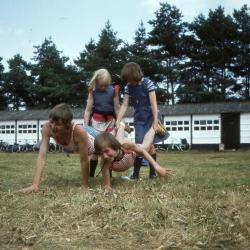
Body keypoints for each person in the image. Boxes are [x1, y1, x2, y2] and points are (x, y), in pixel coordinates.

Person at [18, 103, 96, 193]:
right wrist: (35, 185)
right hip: (80, 141)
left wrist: (84, 186)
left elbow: (84, 161)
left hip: (93, 138)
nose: (53, 127)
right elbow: (42, 155)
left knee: (111, 155)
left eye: (58, 124)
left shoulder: (79, 132)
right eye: (51, 122)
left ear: (68, 125)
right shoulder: (47, 128)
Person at [116, 62, 166, 180]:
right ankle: (137, 174)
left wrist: (155, 122)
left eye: (130, 80)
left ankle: (149, 174)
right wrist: (118, 120)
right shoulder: (128, 87)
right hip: (139, 119)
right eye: (127, 80)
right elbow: (124, 105)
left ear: (135, 75)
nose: (129, 82)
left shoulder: (148, 84)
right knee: (140, 145)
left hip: (151, 117)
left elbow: (154, 104)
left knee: (150, 146)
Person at [94, 122, 172, 191]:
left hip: (130, 154)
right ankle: (121, 125)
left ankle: (154, 128)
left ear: (114, 147)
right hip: (119, 147)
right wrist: (107, 187)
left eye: (106, 151)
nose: (104, 156)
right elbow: (107, 185)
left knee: (146, 147)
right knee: (118, 139)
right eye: (101, 153)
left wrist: (157, 167)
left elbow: (142, 151)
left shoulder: (125, 145)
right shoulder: (105, 160)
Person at [84, 69, 120, 177]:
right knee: (95, 149)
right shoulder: (92, 91)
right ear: (96, 81)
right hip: (96, 123)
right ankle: (91, 175)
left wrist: (119, 122)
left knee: (109, 148)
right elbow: (88, 110)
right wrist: (86, 125)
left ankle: (108, 175)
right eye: (101, 85)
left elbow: (117, 108)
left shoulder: (114, 90)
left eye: (105, 85)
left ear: (109, 82)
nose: (103, 87)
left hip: (110, 122)